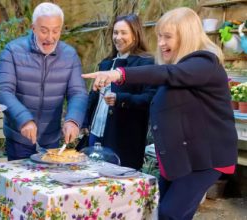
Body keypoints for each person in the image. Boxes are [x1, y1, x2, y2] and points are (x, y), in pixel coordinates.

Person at [82, 7, 237, 220]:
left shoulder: (205, 63)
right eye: (159, 36)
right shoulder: (180, 69)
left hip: (205, 158)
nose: (161, 43)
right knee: (160, 212)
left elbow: (167, 74)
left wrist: (119, 74)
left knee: (169, 214)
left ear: (187, 36)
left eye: (168, 37)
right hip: (179, 158)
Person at [0, 2, 88, 160]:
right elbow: (3, 91)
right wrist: (24, 120)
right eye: (44, 31)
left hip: (52, 140)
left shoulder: (69, 55)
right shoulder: (12, 51)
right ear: (33, 28)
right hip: (19, 138)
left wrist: (73, 120)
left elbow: (78, 93)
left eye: (55, 31)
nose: (50, 37)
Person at [79, 14, 156, 169]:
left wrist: (121, 98)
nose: (118, 37)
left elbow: (150, 98)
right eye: (115, 32)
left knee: (118, 184)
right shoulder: (106, 64)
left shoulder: (146, 64)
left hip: (124, 137)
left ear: (135, 35)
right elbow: (94, 95)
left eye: (123, 33)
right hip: (95, 133)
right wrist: (85, 121)